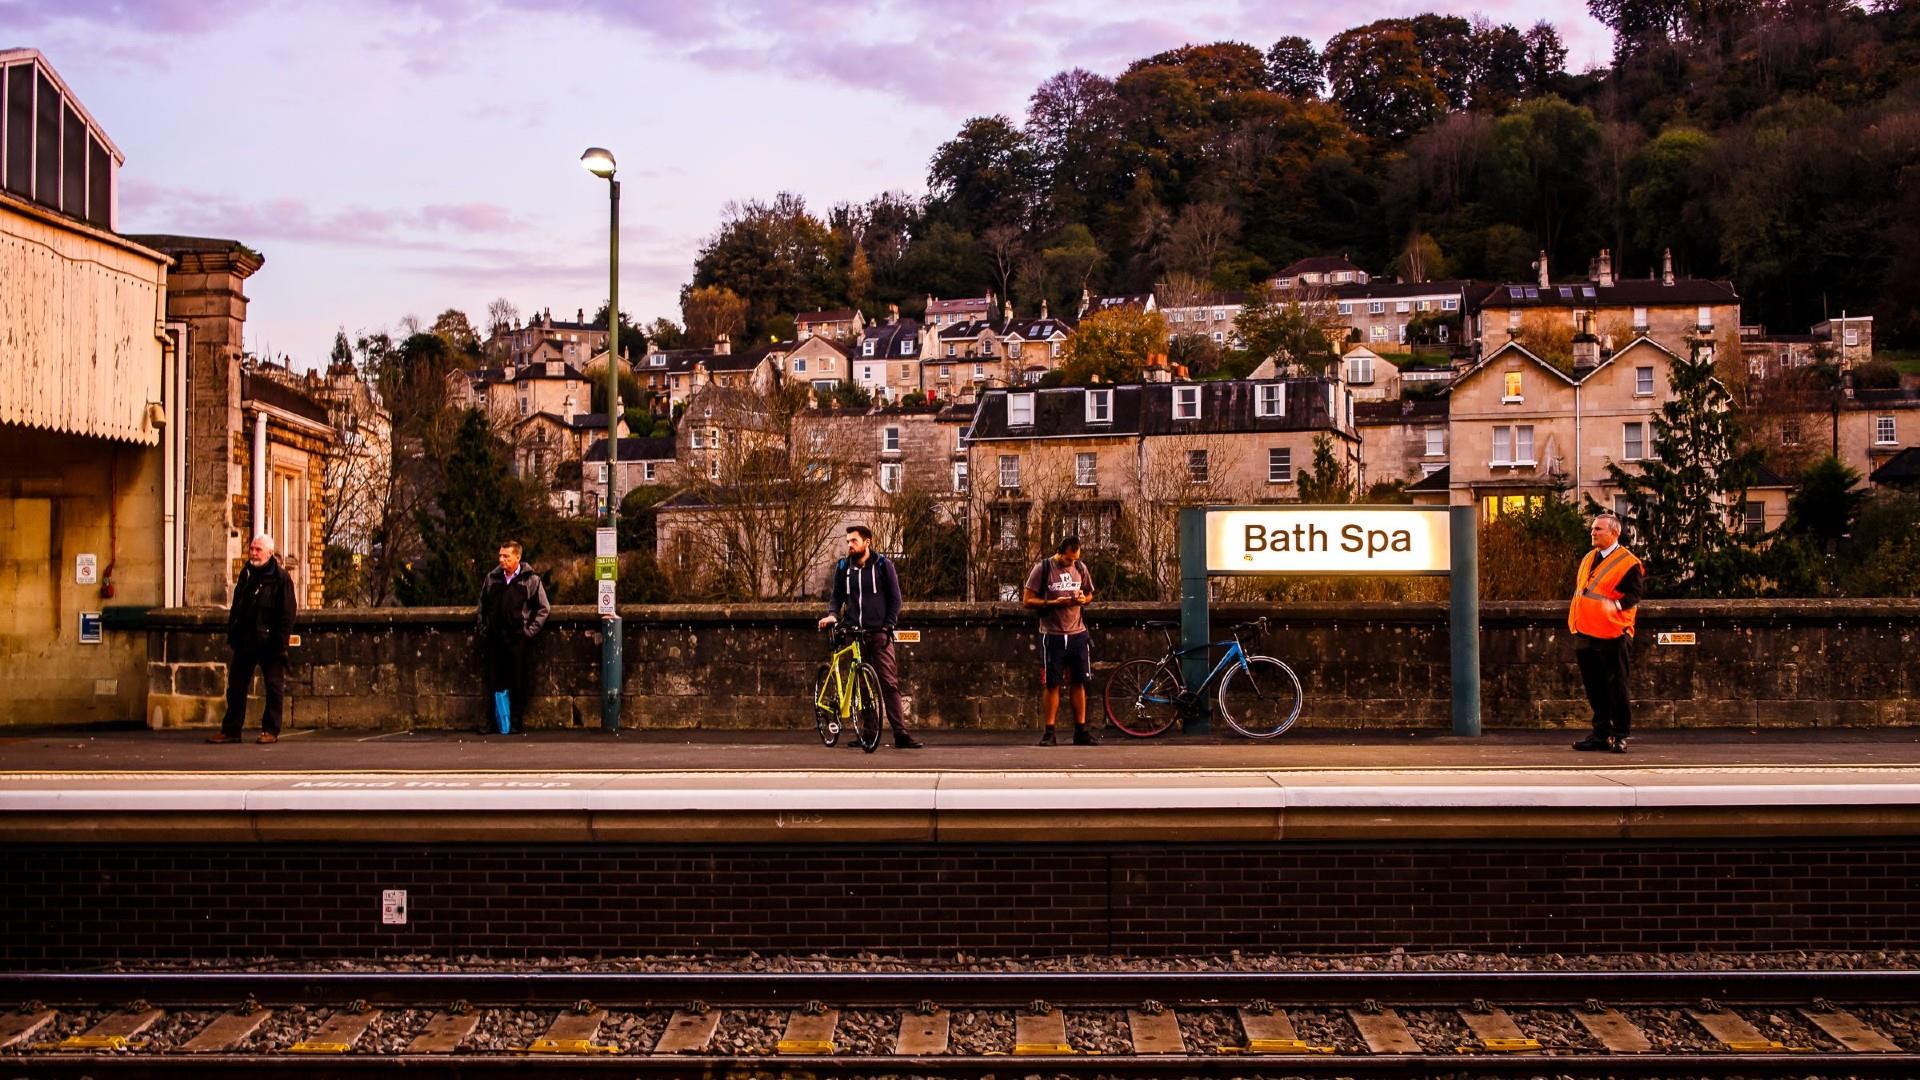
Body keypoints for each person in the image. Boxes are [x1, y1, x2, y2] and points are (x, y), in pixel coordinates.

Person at [817, 525, 922, 749]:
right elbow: (836, 597)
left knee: (888, 683)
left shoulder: (884, 566)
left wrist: (888, 626)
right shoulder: (844, 568)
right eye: (848, 542)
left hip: (879, 633)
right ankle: (867, 732)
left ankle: (900, 734)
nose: (850, 545)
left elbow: (895, 600)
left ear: (867, 542)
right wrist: (833, 615)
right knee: (861, 685)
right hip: (854, 633)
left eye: (854, 541)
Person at [206, 534, 297, 744]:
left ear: (269, 553)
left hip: (270, 643)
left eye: (258, 550)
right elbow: (237, 606)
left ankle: (270, 730)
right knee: (236, 686)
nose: (253, 553)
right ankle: (231, 730)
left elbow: (287, 614)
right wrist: (234, 632)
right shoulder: (247, 574)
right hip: (246, 640)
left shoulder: (281, 579)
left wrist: (280, 643)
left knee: (274, 687)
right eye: (252, 549)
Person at [1568, 511, 1644, 753]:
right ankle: (1601, 733)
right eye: (1593, 528)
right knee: (1594, 687)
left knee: (1617, 686)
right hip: (1585, 630)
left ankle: (1620, 734)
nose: (1593, 532)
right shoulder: (1588, 558)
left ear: (1614, 533)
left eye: (1598, 529)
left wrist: (1615, 606)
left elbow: (1634, 595)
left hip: (1614, 633)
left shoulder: (1628, 562)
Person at [1024, 535, 1096, 746]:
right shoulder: (1043, 568)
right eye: (1067, 560)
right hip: (1052, 633)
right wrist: (1054, 602)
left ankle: (1081, 731)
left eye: (1074, 559)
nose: (1070, 563)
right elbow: (1027, 600)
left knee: (1079, 681)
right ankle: (1050, 732)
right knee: (1052, 683)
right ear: (1059, 552)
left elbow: (1090, 594)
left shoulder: (1081, 567)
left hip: (1078, 632)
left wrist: (1084, 600)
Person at [475, 539, 550, 735]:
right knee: (493, 681)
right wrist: (483, 628)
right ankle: (493, 720)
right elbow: (482, 606)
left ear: (517, 557)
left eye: (506, 556)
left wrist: (529, 632)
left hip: (517, 638)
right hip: (494, 637)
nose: (501, 559)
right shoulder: (492, 578)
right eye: (500, 555)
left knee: (517, 680)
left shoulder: (530, 580)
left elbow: (543, 608)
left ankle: (515, 721)